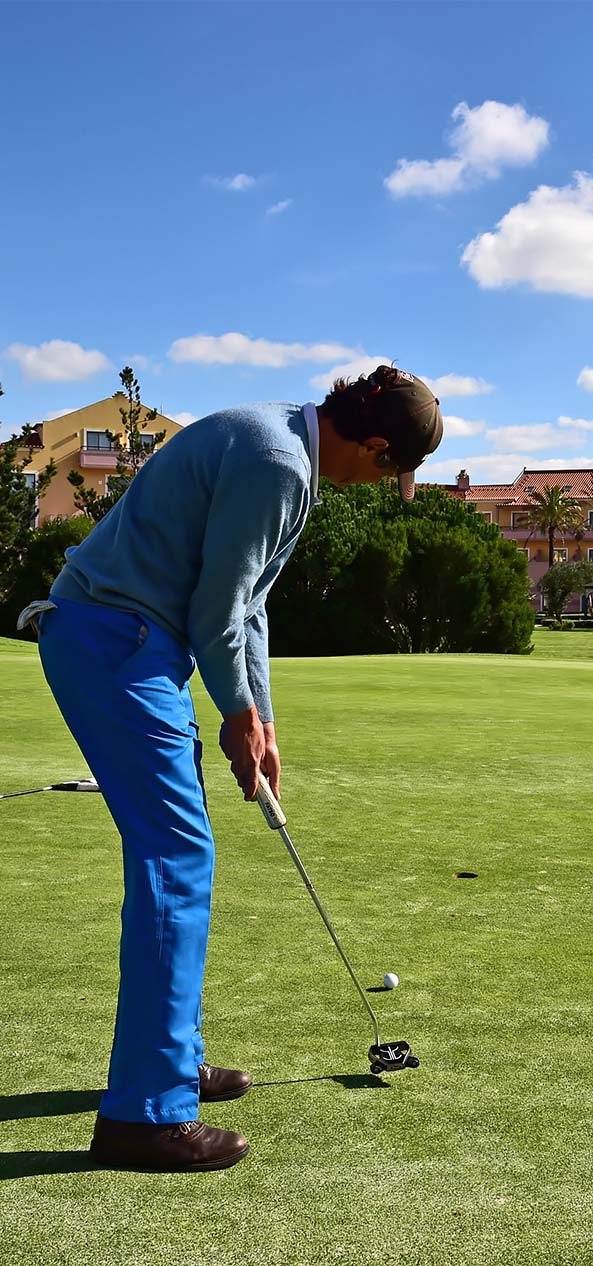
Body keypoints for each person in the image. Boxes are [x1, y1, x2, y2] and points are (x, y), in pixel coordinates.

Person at [23, 366, 443, 1172]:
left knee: (179, 856)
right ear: (376, 446)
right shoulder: (281, 464)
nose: (376, 488)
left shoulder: (285, 438)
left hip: (133, 646)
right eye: (389, 474)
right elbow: (216, 607)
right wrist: (236, 714)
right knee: (175, 862)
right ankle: (144, 1116)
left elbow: (247, 604)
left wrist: (263, 717)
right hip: (117, 645)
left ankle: (168, 1064)